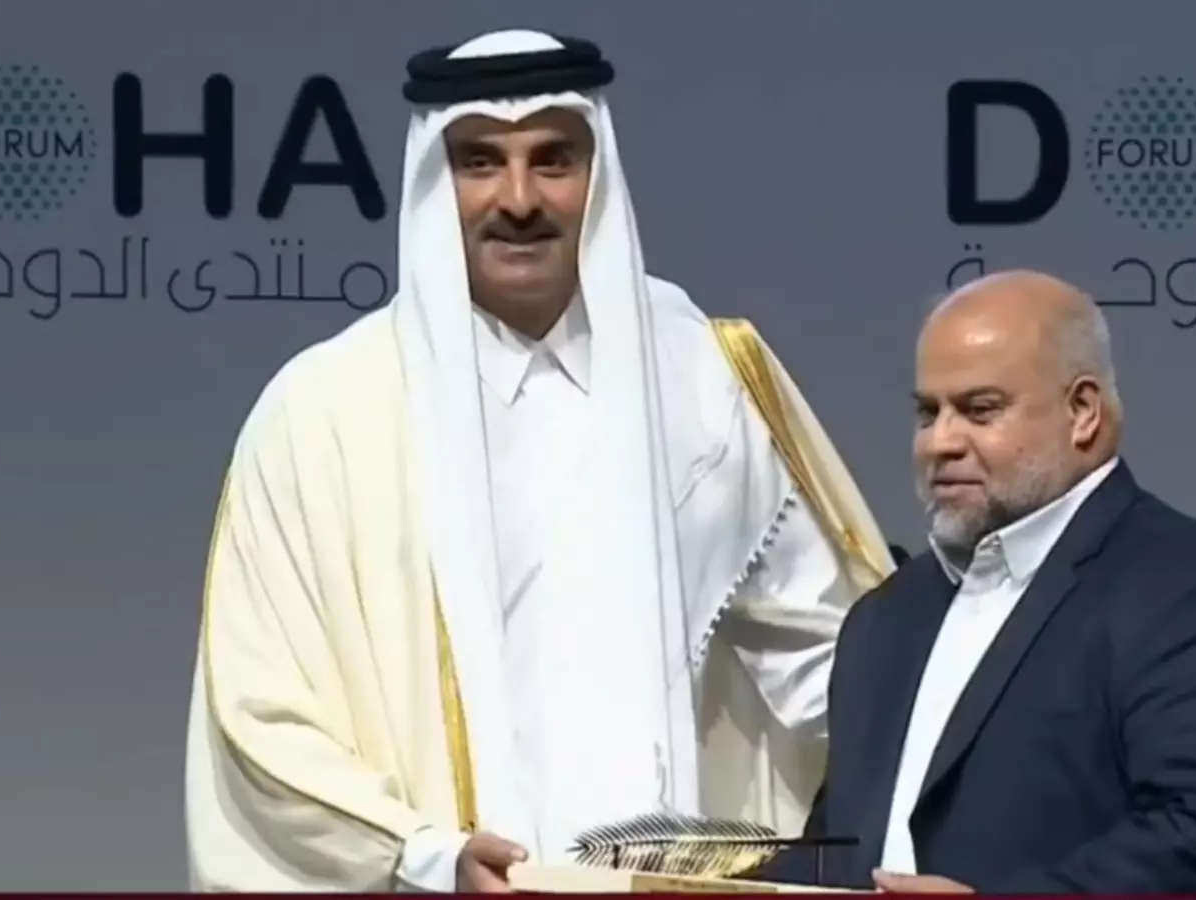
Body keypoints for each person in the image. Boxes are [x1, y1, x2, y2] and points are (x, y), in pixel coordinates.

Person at [182, 28, 897, 893]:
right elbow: (257, 710)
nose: (518, 199)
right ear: (432, 180)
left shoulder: (702, 376)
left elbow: (830, 663)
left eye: (553, 160)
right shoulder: (323, 413)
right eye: (479, 162)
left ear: (599, 175)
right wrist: (424, 853)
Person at [754, 270, 1196, 892]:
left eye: (980, 410)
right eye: (927, 412)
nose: (941, 442)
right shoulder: (884, 620)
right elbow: (838, 852)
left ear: (1082, 412)